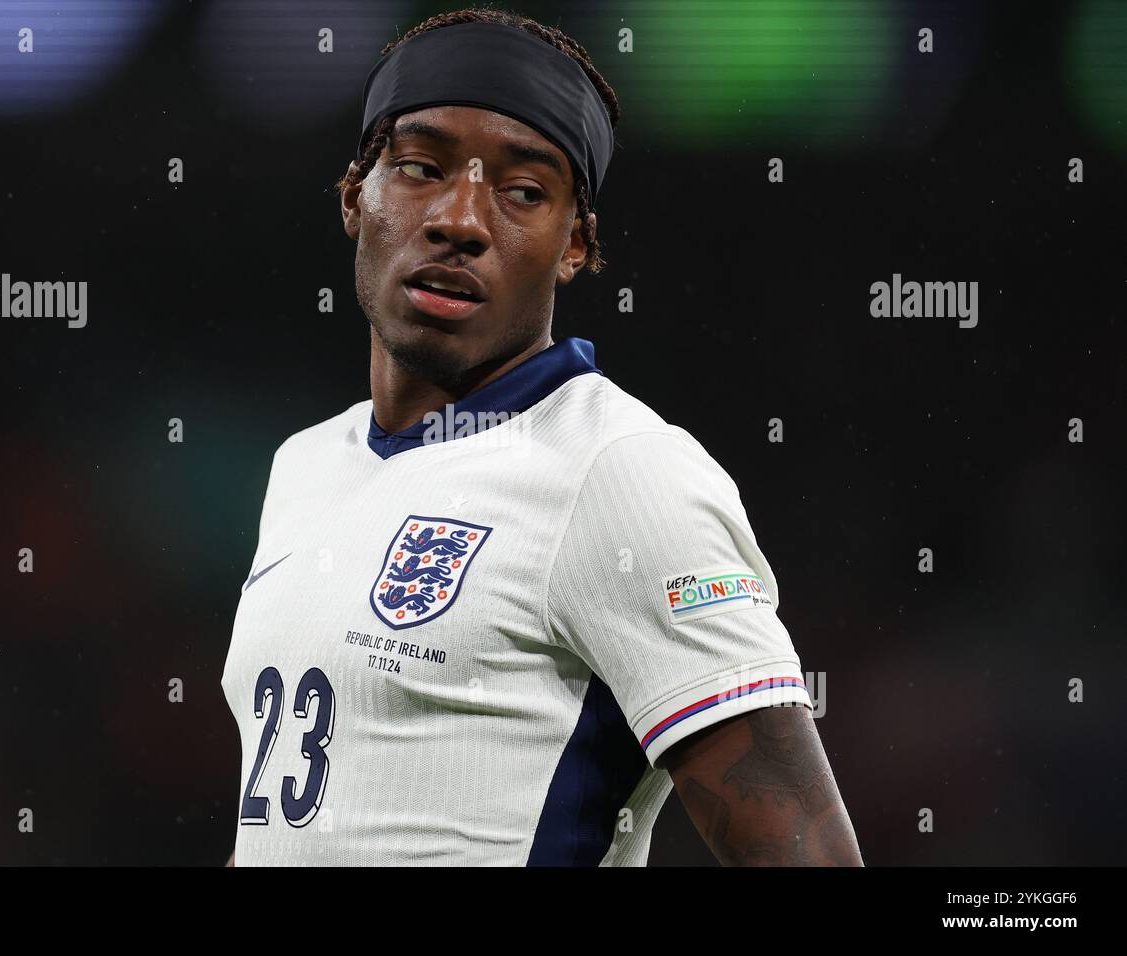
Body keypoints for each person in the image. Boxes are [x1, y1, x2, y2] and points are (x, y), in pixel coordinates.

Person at [222, 7, 863, 866]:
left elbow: (805, 857)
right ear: (354, 196)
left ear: (575, 245)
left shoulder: (621, 472)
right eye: (419, 168)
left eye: (524, 191)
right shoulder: (303, 464)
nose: (461, 219)